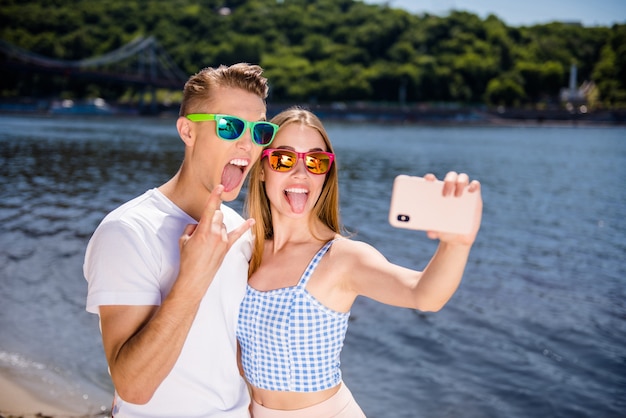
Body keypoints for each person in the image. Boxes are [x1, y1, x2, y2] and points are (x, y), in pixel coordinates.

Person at [236, 107, 483, 417]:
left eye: (315, 161)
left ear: (326, 173)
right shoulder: (246, 250)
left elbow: (423, 294)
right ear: (262, 169)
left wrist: (457, 244)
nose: (301, 173)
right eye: (283, 159)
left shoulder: (340, 258)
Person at [84, 63, 279, 417]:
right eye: (229, 126)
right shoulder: (128, 231)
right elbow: (133, 387)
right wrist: (193, 278)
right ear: (187, 131)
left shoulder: (240, 230)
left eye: (260, 130)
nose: (247, 143)